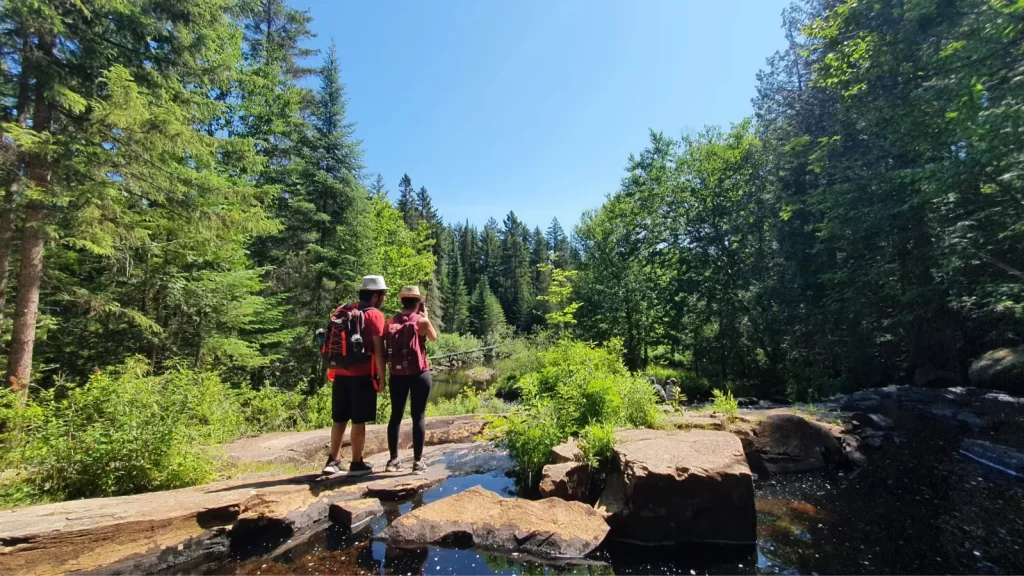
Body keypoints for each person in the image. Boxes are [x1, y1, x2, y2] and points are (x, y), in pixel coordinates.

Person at [322, 275, 388, 476]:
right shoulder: (374, 315)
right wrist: (382, 378)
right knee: (359, 421)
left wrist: (330, 369)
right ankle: (357, 463)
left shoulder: (345, 310)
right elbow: (378, 350)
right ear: (375, 296)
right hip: (362, 376)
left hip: (340, 373)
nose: (384, 299)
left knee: (339, 419)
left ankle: (333, 461)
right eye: (383, 295)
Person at [384, 285, 438, 474]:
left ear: (402, 301)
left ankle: (393, 461)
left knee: (395, 417)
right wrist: (426, 317)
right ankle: (417, 462)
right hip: (419, 373)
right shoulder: (421, 321)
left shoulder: (391, 321)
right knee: (418, 417)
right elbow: (434, 338)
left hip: (397, 375)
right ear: (417, 303)